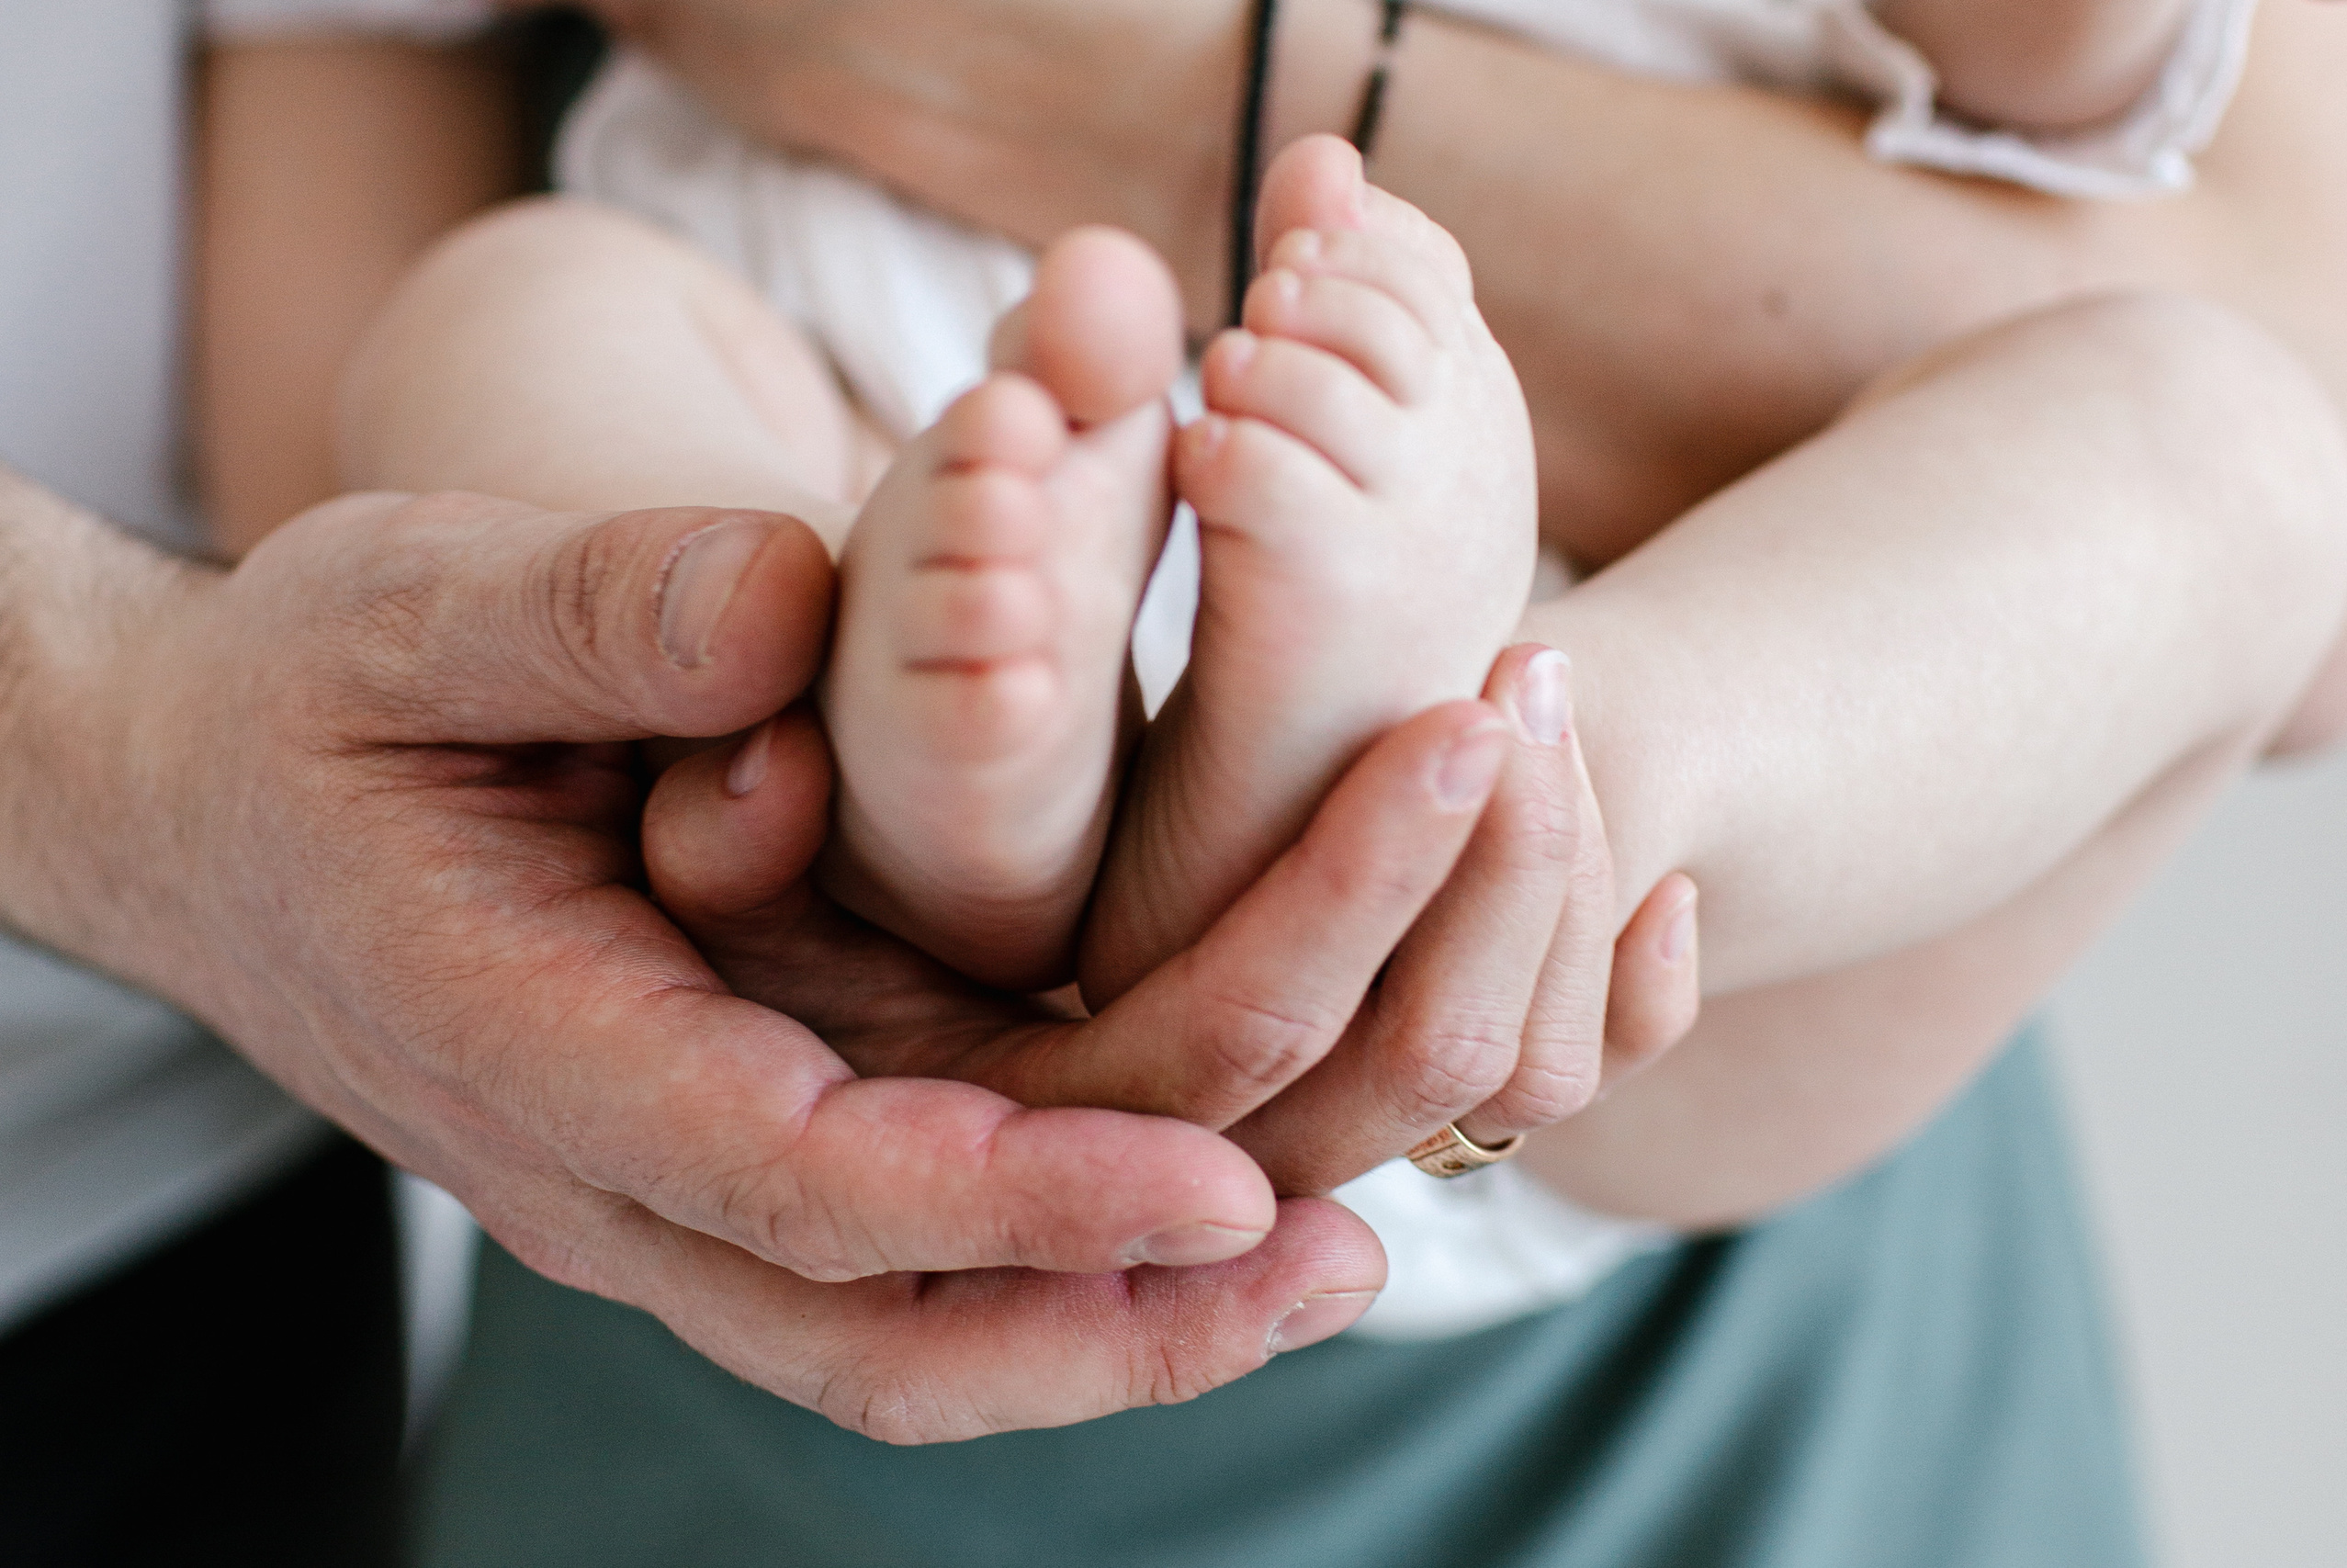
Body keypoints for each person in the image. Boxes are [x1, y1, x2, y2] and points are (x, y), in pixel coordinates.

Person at [0, 9, 1691, 1562]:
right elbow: (308, 425)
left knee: (1836, 670)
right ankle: (859, 682)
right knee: (524, 307)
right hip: (844, 434)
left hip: (1555, 709)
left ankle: (1159, 746)